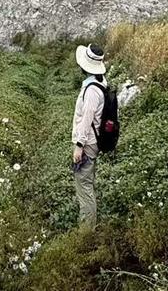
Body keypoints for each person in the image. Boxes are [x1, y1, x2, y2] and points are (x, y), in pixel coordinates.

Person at [71, 43, 108, 226]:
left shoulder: (92, 90)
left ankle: (86, 232)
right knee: (87, 183)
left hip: (87, 143)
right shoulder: (100, 81)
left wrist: (79, 146)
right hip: (92, 141)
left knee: (84, 187)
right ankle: (88, 225)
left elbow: (86, 119)